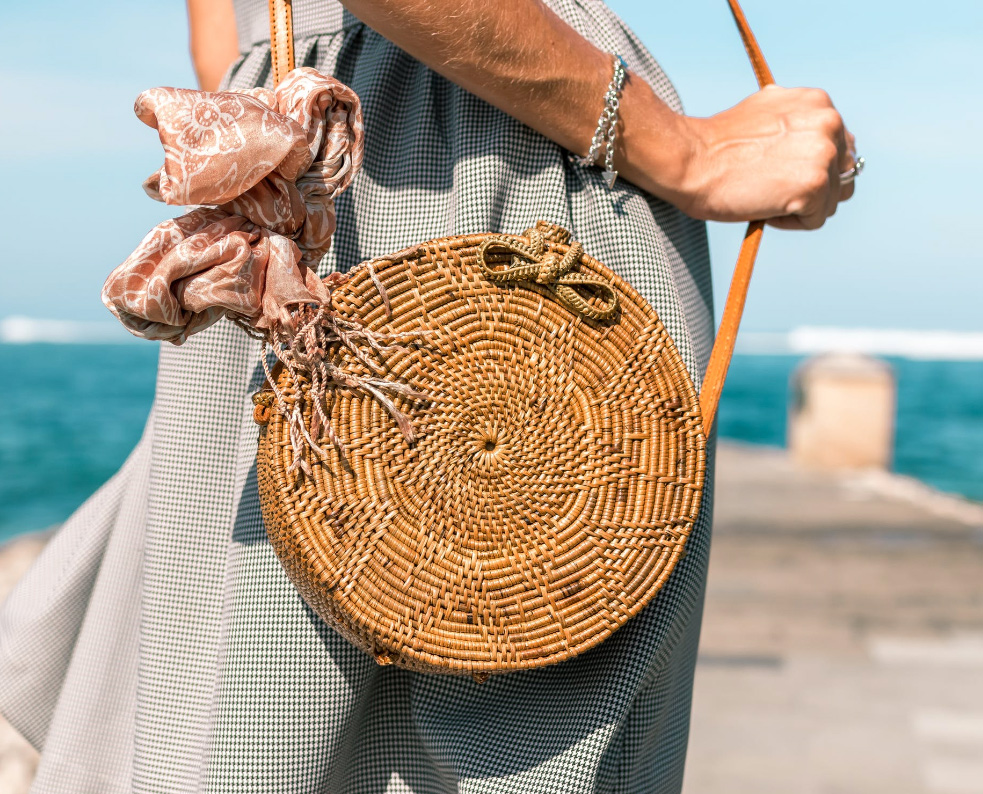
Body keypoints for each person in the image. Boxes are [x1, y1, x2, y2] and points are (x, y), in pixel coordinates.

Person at [0, 0, 857, 791]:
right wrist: (683, 149)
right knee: (528, 747)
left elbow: (228, 25)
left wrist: (266, 138)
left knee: (240, 726)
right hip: (487, 147)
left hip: (308, 164)